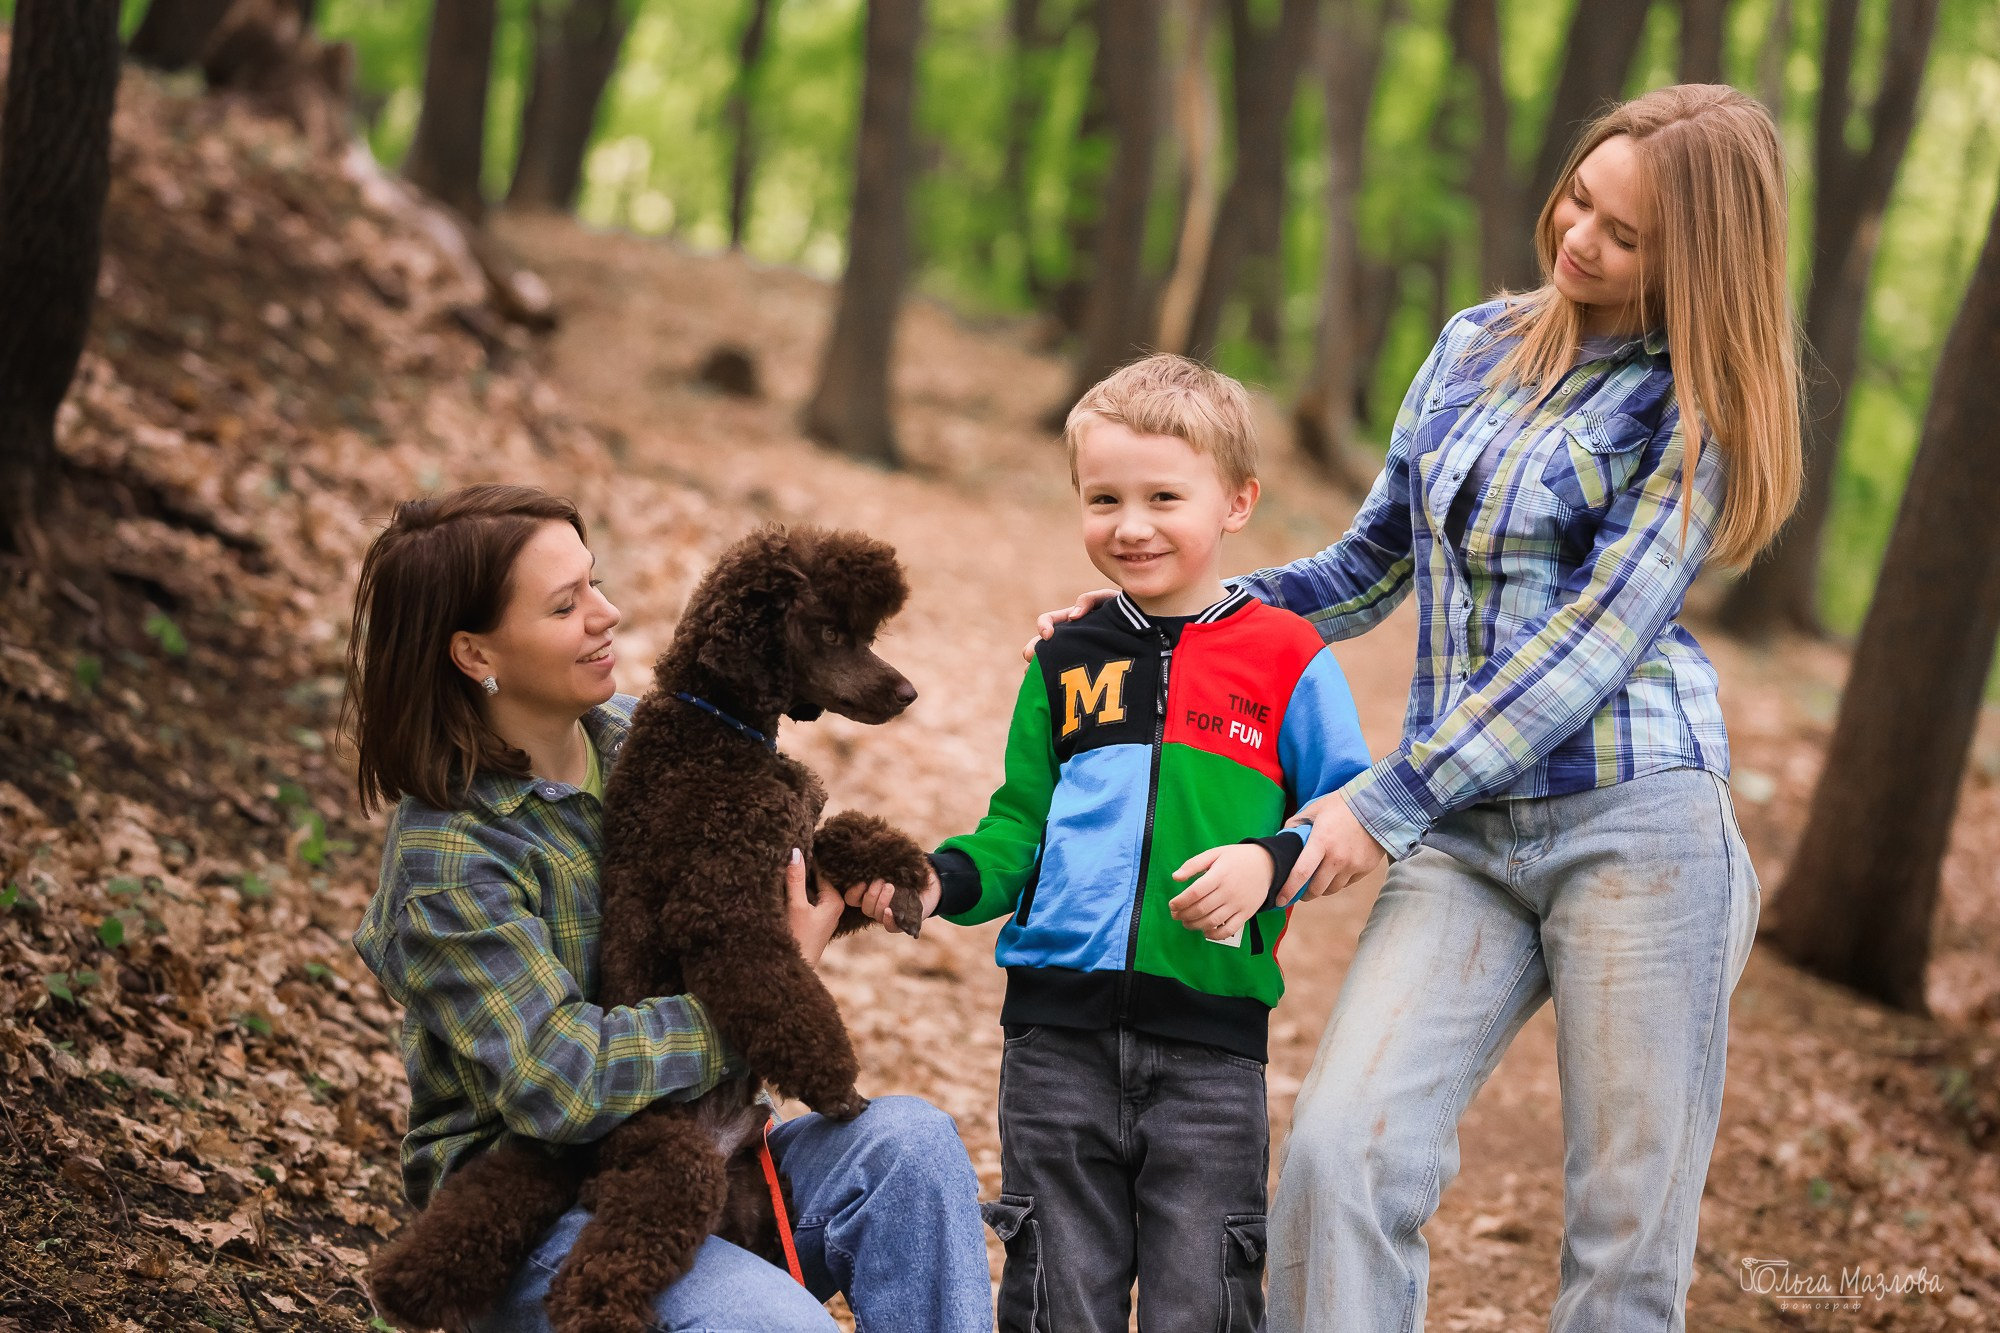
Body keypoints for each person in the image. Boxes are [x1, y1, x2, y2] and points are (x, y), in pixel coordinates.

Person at [1031, 86, 1801, 1331]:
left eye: (1624, 234)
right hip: (1464, 832)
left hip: (1639, 829)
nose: (1577, 238)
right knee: (1339, 1158)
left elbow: (1587, 646)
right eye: (1578, 198)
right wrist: (1168, 612)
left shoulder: (1692, 409)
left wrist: (1378, 803)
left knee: (1622, 1230)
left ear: (1698, 261)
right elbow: (1365, 565)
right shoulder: (1473, 344)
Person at [342, 483, 992, 1333]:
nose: (607, 614)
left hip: (709, 1156)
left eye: (596, 582)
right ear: (474, 653)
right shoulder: (451, 857)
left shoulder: (642, 739)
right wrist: (767, 992)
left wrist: (850, 882)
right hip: (547, 1215)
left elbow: (761, 875)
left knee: (913, 1146)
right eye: (566, 604)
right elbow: (558, 1081)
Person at [852, 356, 1373, 1332]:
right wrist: (938, 876)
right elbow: (1017, 825)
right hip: (1054, 1042)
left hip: (1210, 1048)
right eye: (1103, 498)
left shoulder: (1286, 657)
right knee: (1056, 1296)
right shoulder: (1064, 658)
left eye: (1162, 497)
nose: (1129, 526)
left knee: (1201, 1299)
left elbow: (1347, 809)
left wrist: (1269, 862)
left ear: (1235, 502)